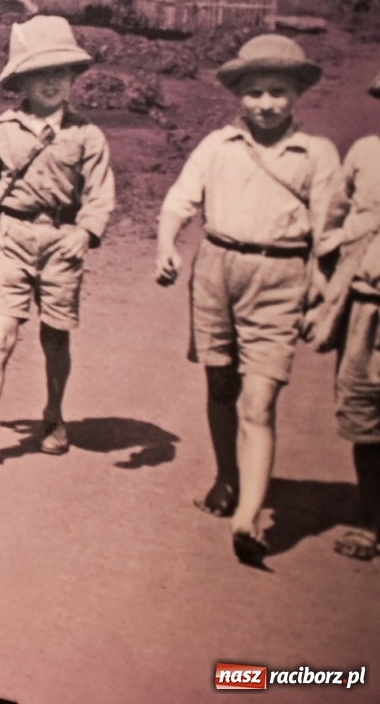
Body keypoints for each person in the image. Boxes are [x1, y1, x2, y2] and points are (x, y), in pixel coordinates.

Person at [155, 34, 339, 568]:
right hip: (216, 269)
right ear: (239, 94)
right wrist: (167, 244)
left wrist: (323, 284)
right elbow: (179, 202)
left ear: (297, 94)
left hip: (281, 277)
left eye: (278, 91)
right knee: (220, 383)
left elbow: (329, 231)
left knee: (258, 400)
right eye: (254, 92)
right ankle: (228, 479)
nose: (265, 103)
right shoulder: (218, 146)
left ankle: (249, 520)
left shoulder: (317, 153)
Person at [0, 16, 115, 468]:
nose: (51, 82)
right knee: (0, 332)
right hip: (12, 239)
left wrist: (85, 232)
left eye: (60, 71)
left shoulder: (86, 135)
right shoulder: (4, 129)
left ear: (73, 77)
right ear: (22, 79)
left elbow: (101, 193)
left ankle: (53, 416)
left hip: (62, 242)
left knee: (55, 337)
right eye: (40, 73)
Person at [302, 69, 380, 562]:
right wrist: (323, 276)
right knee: (364, 413)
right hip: (367, 304)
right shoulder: (367, 153)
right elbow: (332, 222)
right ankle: (369, 516)